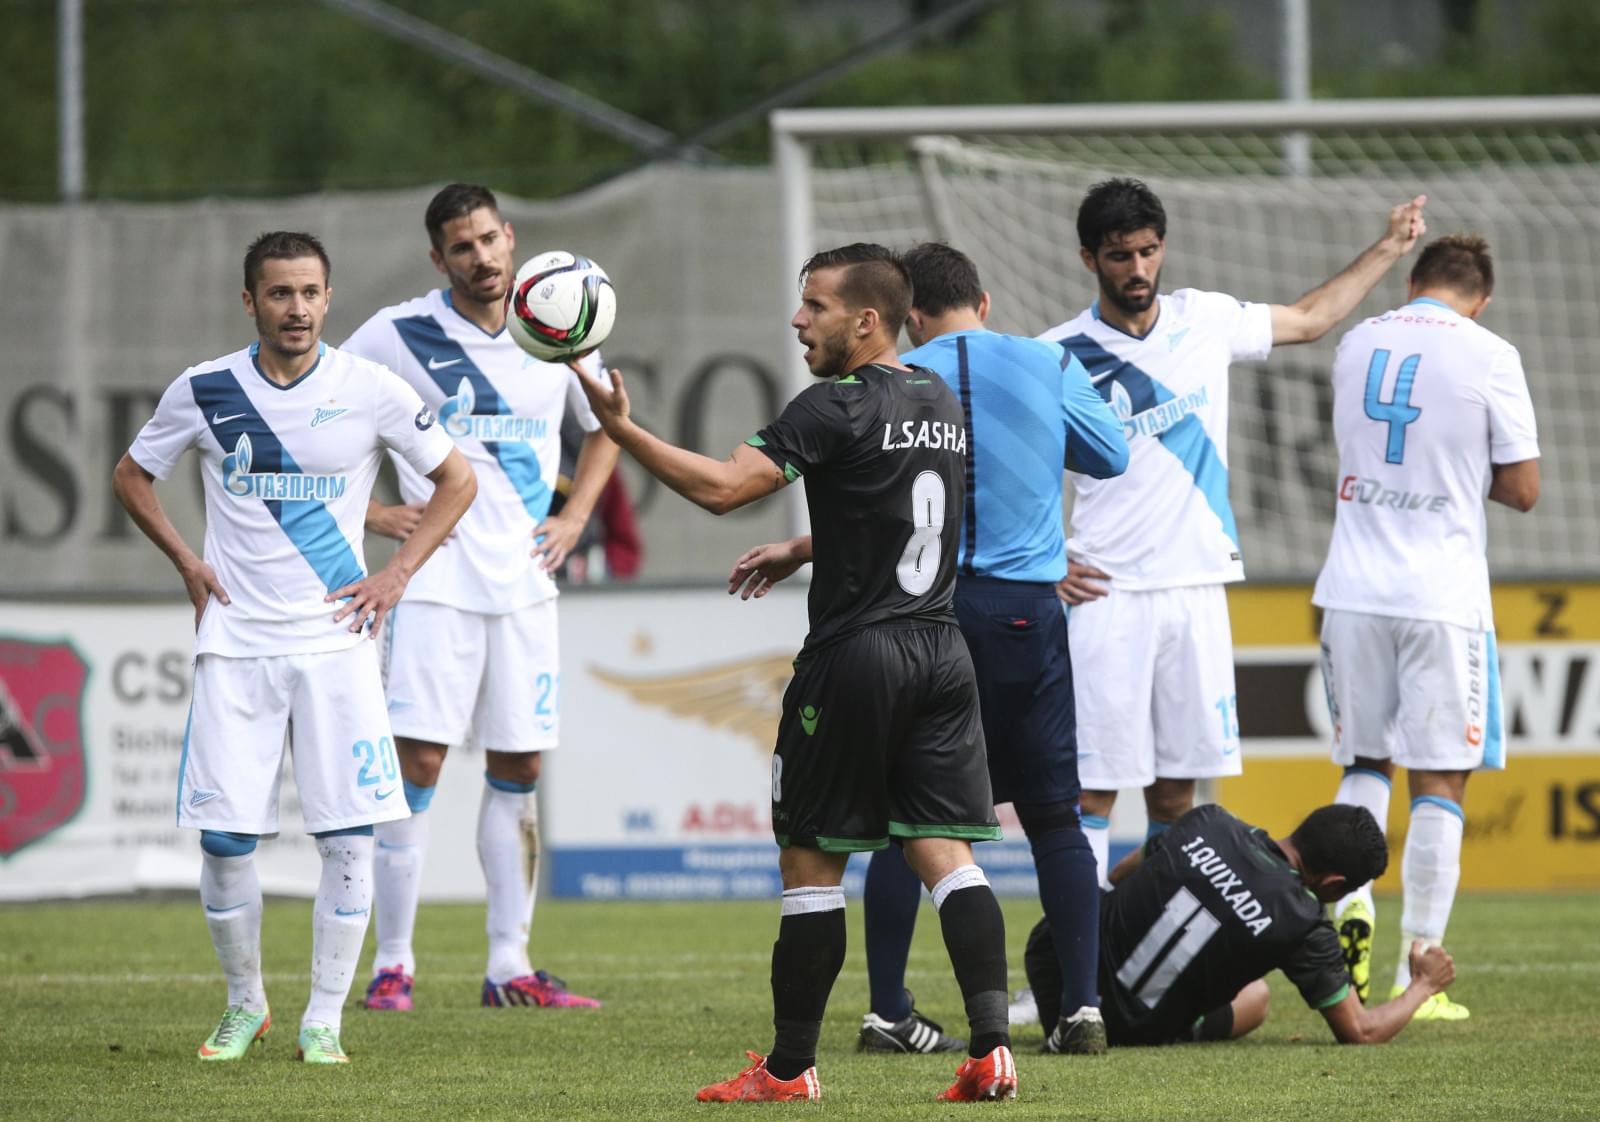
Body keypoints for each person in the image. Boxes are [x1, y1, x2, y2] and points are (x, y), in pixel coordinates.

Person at [581, 243, 1018, 1103]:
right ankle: (992, 1051)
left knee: (811, 861)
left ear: (865, 321)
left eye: (814, 305)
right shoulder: (940, 399)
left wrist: (622, 429)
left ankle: (787, 1070)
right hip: (940, 650)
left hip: (857, 659)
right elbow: (906, 513)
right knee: (947, 855)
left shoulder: (835, 405)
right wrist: (805, 546)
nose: (797, 320)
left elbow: (719, 488)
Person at [737, 243, 1128, 1057]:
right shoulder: (1043, 360)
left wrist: (806, 546)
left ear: (905, 315)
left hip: (923, 605)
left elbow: (886, 501)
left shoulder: (902, 381)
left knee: (896, 816)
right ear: (982, 302)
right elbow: (1110, 457)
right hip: (1025, 609)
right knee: (1057, 813)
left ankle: (888, 1009)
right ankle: (1081, 1010)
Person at [111, 231, 475, 1064]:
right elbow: (133, 473)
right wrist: (187, 560)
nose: (297, 309)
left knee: (348, 836)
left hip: (336, 642)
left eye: (310, 292)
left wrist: (398, 575)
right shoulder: (206, 388)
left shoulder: (370, 388)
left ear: (328, 296)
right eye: (279, 294)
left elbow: (458, 479)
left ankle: (323, 1019)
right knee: (226, 840)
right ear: (251, 302)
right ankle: (247, 1005)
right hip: (236, 641)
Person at [1037, 178, 1429, 887]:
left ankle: (1141, 964)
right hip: (1105, 595)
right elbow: (996, 466)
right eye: (1120, 255)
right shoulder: (1054, 356)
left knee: (1177, 796)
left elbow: (1311, 318)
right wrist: (1044, 555)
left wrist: (1390, 247)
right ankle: (1078, 975)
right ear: (1088, 258)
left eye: (1149, 251)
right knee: (1091, 794)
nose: (1138, 269)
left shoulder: (1206, 320)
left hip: (1197, 588)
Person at [341, 183, 618, 1011]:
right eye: (463, 247)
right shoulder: (397, 333)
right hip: (434, 585)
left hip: (525, 587)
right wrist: (374, 511)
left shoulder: (554, 322)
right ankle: (394, 964)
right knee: (416, 765)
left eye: (492, 239)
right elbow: (322, 414)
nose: (484, 258)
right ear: (439, 258)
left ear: (511, 237)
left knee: (520, 769)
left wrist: (575, 514)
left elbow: (608, 423)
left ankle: (510, 966)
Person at [1313, 234, 1538, 1020]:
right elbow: (1523, 489)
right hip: (1439, 592)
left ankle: (1349, 912)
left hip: (1351, 587)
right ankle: (1423, 960)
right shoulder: (1490, 352)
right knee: (1440, 779)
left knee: (1365, 763)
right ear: (1480, 297)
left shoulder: (1356, 342)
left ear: (1411, 284)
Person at [1022, 803, 1458, 1047]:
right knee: (1259, 998)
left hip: (1053, 977)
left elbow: (1120, 875)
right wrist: (1423, 985)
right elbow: (1361, 1030)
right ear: (1333, 882)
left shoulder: (1209, 820)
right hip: (1125, 1030)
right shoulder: (1305, 921)